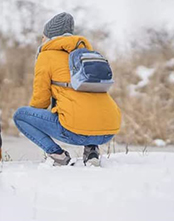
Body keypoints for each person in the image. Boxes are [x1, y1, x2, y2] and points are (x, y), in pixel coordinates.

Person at [13, 12, 121, 167]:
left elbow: (40, 99)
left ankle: (58, 155)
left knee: (21, 115)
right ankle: (92, 152)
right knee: (86, 105)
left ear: (50, 37)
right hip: (109, 129)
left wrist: (38, 118)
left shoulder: (46, 56)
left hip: (76, 131)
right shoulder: (89, 55)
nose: (41, 40)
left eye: (43, 36)